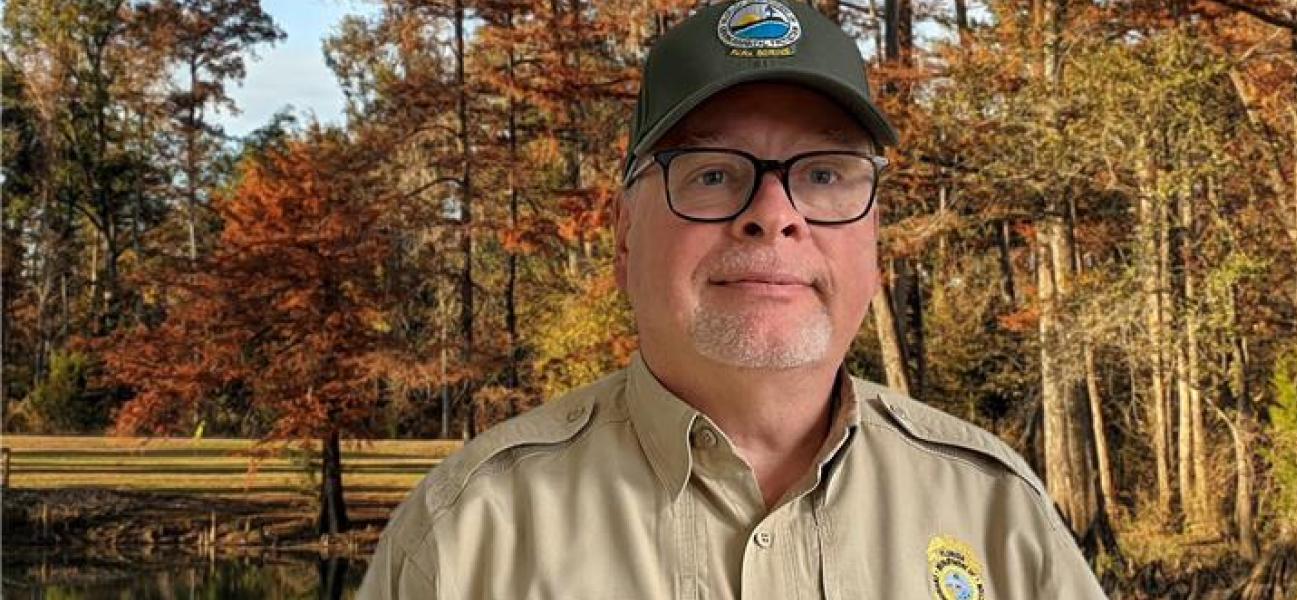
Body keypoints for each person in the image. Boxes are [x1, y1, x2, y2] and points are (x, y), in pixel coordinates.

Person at [358, 1, 1108, 598]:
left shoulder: (995, 509)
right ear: (624, 239)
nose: (776, 212)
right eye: (712, 173)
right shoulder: (470, 534)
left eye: (823, 175)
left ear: (875, 237)